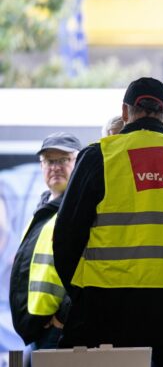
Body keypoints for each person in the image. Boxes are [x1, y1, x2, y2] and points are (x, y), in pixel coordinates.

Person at [52, 77, 163, 367]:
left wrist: (85, 297)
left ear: (125, 112)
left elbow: (65, 241)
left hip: (106, 317)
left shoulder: (100, 158)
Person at [9, 132, 81, 350]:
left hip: (57, 330)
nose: (55, 167)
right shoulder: (44, 209)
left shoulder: (78, 208)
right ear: (41, 165)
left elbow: (87, 266)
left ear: (78, 164)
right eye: (50, 160)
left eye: (63, 160)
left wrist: (63, 316)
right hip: (40, 329)